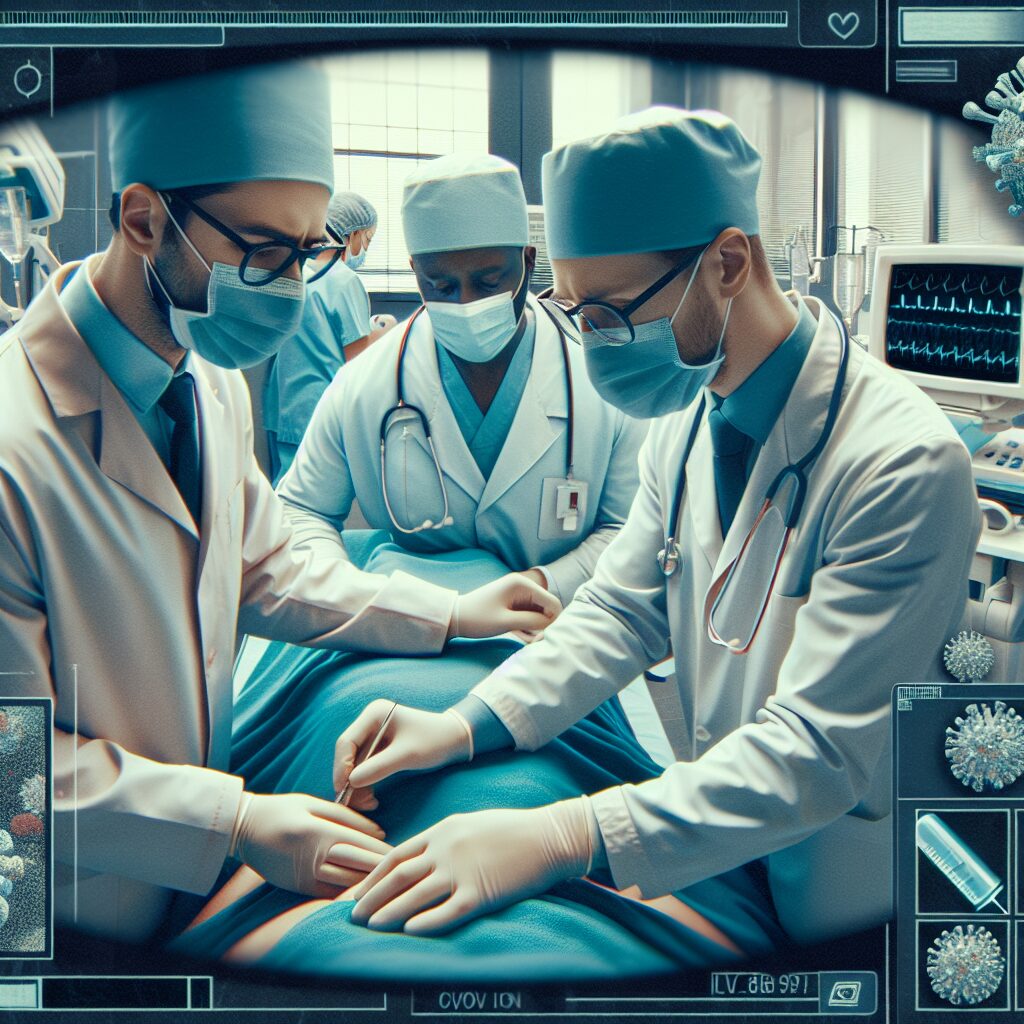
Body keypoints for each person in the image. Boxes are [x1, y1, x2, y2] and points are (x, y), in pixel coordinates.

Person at [334, 107, 982, 948]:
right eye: (572, 312)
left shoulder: (903, 464)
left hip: (837, 880)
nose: (594, 345)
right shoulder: (685, 415)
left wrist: (563, 837)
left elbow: (816, 752)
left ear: (727, 264)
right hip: (711, 845)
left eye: (608, 313)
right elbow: (619, 613)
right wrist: (464, 723)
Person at [0, 61, 557, 942]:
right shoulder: (13, 444)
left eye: (308, 252)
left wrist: (452, 614)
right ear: (145, 219)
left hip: (180, 877)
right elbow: (10, 769)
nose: (293, 286)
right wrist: (233, 821)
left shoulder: (210, 387)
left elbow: (275, 570)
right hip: (51, 904)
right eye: (265, 252)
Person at [172, 536, 779, 981]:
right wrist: (463, 719)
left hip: (361, 680)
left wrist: (242, 829)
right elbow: (617, 618)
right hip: (500, 678)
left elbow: (203, 946)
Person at [277, 152, 647, 616]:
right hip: (403, 634)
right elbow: (300, 510)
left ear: (528, 262)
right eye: (441, 286)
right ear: (415, 273)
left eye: (490, 282)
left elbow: (629, 531)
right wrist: (357, 601)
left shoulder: (598, 383)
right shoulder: (365, 386)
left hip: (558, 626)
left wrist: (544, 582)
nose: (467, 303)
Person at [264, 191, 396, 482]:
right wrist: (386, 331)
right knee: (307, 502)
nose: (366, 248)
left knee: (284, 490)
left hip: (283, 409)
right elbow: (359, 359)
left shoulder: (296, 275)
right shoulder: (344, 280)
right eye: (368, 240)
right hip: (317, 408)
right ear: (352, 234)